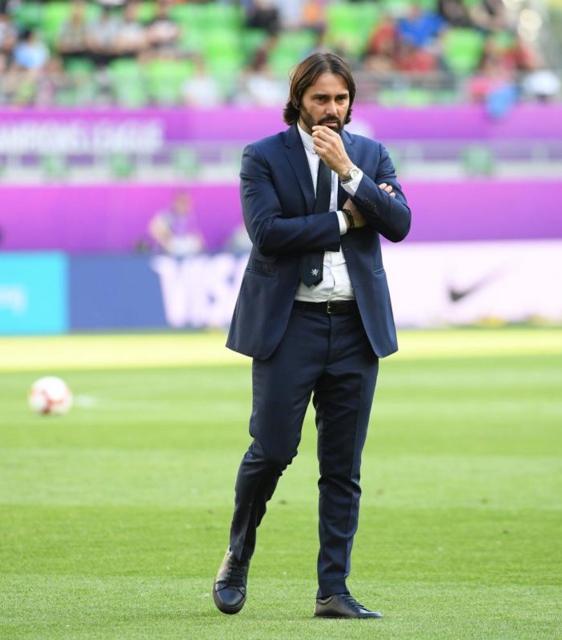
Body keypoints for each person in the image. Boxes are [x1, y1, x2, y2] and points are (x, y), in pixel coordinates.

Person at [214, 52, 411, 619]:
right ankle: (237, 555)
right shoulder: (263, 156)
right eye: (321, 98)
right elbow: (269, 234)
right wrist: (349, 218)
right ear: (298, 98)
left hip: (355, 325)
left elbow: (399, 223)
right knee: (272, 450)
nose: (332, 109)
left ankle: (333, 591)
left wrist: (351, 174)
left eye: (341, 99)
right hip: (290, 325)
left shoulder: (369, 155)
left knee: (343, 467)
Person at [147, 191, 204, 256]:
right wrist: (166, 242)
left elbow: (193, 233)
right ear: (175, 202)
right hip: (166, 251)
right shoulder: (166, 215)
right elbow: (153, 229)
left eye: (187, 203)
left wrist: (198, 242)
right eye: (182, 202)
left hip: (184, 250)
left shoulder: (190, 217)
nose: (185, 205)